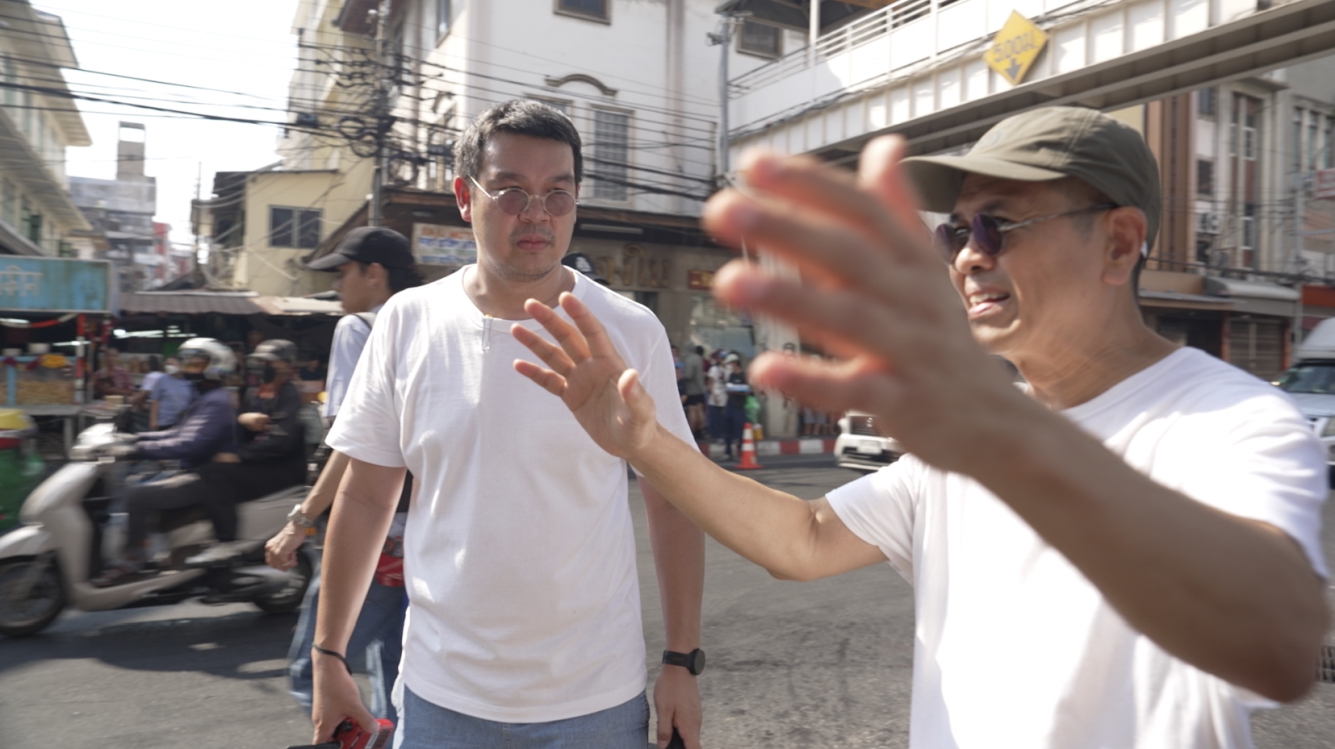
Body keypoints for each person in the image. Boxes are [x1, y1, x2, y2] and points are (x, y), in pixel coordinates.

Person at [512, 107, 1330, 748]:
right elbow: (804, 537)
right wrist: (644, 444)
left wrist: (1004, 435)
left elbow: (1277, 642)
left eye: (998, 225)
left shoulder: (1226, 418)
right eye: (955, 231)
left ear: (1117, 243)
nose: (968, 257)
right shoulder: (971, 430)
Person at [308, 100, 705, 749]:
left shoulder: (629, 330)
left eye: (558, 194)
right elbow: (367, 495)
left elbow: (673, 500)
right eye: (512, 191)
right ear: (466, 197)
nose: (537, 214)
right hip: (439, 697)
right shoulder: (408, 321)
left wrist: (681, 661)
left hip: (595, 700)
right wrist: (328, 654)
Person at [266, 225, 425, 727]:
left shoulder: (358, 328)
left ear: (374, 274)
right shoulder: (432, 324)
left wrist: (300, 520)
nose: (337, 285)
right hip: (421, 533)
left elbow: (353, 443)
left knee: (313, 671)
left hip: (373, 535)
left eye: (343, 272)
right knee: (394, 672)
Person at [91, 338, 239, 587]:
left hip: (208, 478)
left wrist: (137, 449)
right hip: (196, 471)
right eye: (188, 363)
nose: (189, 368)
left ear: (216, 366)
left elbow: (189, 443)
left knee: (138, 496)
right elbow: (177, 433)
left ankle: (132, 561)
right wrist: (132, 438)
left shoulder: (217, 401)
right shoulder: (205, 397)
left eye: (197, 364)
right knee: (136, 483)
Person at [182, 339, 308, 566]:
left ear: (287, 366)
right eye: (259, 361)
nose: (262, 366)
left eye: (269, 362)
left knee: (215, 473)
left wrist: (240, 456)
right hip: (259, 462)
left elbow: (283, 441)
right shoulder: (254, 392)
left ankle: (225, 542)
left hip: (282, 469)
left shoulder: (290, 395)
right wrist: (242, 419)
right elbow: (237, 428)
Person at [149, 358, 194, 430]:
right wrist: (153, 420)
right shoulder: (162, 380)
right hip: (165, 422)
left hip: (184, 422)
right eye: (166, 364)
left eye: (171, 364)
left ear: (180, 365)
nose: (168, 366)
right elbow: (155, 401)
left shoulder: (189, 381)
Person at [721, 353, 749, 460]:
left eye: (730, 363)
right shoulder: (731, 376)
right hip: (730, 406)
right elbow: (728, 389)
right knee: (728, 430)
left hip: (739, 407)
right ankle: (728, 452)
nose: (729, 366)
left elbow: (747, 391)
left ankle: (742, 452)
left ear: (735, 363)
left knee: (740, 431)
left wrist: (735, 390)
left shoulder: (743, 375)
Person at [681, 345, 706, 440]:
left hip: (691, 389)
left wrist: (682, 375)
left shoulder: (689, 359)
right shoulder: (699, 358)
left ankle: (692, 432)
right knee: (700, 410)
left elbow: (688, 375)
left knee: (692, 411)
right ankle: (700, 430)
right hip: (700, 389)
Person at [705, 351, 727, 446]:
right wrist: (713, 395)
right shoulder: (714, 369)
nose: (723, 361)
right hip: (716, 396)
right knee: (715, 418)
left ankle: (724, 436)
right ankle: (717, 436)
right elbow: (709, 383)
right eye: (722, 358)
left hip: (725, 396)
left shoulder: (728, 369)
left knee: (724, 418)